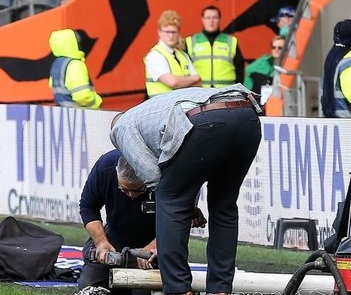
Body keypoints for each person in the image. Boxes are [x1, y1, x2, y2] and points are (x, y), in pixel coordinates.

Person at [110, 86, 262, 295]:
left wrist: (186, 205)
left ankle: (178, 289)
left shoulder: (121, 128)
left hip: (205, 120)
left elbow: (154, 176)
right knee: (224, 205)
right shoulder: (151, 110)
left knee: (170, 199)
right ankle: (220, 290)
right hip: (247, 115)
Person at [78, 150, 158, 295]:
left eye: (139, 190)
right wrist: (101, 242)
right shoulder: (105, 166)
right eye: (124, 190)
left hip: (155, 243)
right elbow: (88, 207)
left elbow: (179, 218)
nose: (132, 196)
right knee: (89, 288)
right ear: (116, 174)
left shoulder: (165, 173)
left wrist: (155, 246)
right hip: (114, 239)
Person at [184, 6, 244, 88]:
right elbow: (185, 69)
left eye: (215, 17)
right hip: (199, 91)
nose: (211, 21)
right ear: (202, 19)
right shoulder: (191, 41)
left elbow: (239, 68)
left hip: (226, 91)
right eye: (208, 18)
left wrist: (238, 89)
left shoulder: (231, 41)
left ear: (219, 19)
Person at [145, 10, 200, 97]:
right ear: (159, 32)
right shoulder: (155, 55)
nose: (170, 36)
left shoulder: (183, 55)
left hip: (182, 106)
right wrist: (192, 79)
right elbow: (172, 82)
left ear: (178, 33)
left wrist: (182, 82)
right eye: (167, 32)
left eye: (174, 32)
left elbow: (199, 83)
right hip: (161, 107)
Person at [49, 28, 102, 108]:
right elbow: (82, 96)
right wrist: (97, 102)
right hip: (82, 115)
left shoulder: (57, 64)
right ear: (72, 43)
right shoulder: (75, 65)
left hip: (63, 113)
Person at [244, 35, 283, 110]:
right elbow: (249, 70)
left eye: (280, 48)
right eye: (274, 47)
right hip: (262, 103)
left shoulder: (288, 65)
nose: (276, 50)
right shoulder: (265, 61)